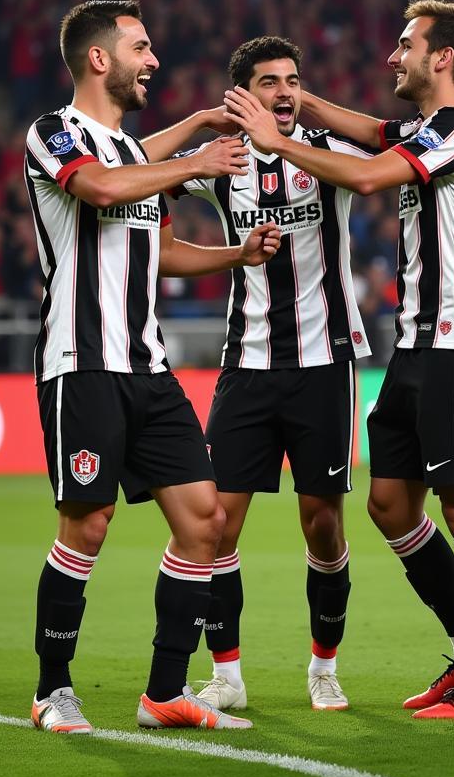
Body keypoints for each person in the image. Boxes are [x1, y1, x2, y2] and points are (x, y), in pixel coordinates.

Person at [225, 0, 454, 721]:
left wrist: (278, 136)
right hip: (415, 348)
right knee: (390, 505)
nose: (393, 57)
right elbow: (367, 132)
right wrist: (289, 104)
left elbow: (362, 176)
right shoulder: (431, 128)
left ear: (441, 56)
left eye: (405, 44)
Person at [24, 0, 281, 735]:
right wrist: (195, 158)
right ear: (99, 58)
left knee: (204, 523)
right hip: (82, 364)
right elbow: (100, 188)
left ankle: (165, 693)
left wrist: (234, 254)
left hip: (149, 368)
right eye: (141, 46)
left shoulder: (136, 155)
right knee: (89, 522)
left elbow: (158, 247)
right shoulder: (53, 134)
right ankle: (52, 690)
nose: (154, 60)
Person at [139, 35, 379, 713]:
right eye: (269, 81)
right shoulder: (224, 163)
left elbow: (397, 157)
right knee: (215, 525)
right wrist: (202, 130)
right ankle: (228, 674)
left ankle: (324, 667)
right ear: (242, 92)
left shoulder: (329, 151)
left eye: (292, 79)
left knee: (322, 526)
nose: (284, 90)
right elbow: (129, 163)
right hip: (245, 364)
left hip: (324, 363)